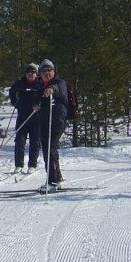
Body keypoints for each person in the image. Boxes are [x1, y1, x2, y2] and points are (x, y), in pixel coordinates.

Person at [34, 59, 76, 190]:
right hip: (44, 121)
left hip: (56, 121)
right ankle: (56, 178)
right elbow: (38, 100)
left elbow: (60, 90)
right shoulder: (40, 86)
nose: (47, 73)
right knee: (49, 150)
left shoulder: (59, 82)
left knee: (49, 150)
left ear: (54, 71)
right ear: (40, 73)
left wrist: (52, 89)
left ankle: (52, 182)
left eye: (49, 70)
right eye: (44, 71)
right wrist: (36, 105)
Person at [8, 63, 42, 174]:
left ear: (36, 74)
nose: (30, 74)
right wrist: (15, 103)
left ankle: (32, 164)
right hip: (22, 116)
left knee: (35, 141)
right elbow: (12, 92)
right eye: (28, 72)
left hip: (35, 117)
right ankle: (18, 164)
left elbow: (44, 98)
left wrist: (40, 105)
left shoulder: (39, 84)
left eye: (33, 72)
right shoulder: (20, 83)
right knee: (19, 141)